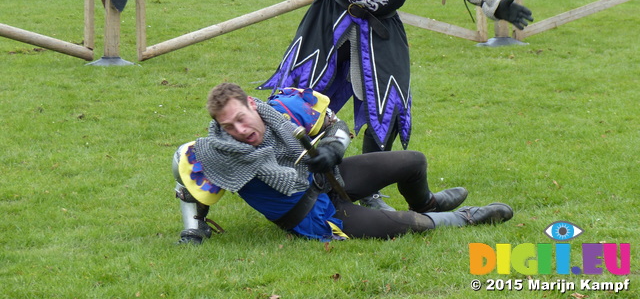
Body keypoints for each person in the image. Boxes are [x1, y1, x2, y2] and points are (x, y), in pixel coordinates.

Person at [259, 0, 533, 210]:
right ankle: (278, 171)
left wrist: (495, 4)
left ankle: (369, 190)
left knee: (388, 103)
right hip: (331, 15)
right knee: (300, 94)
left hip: (381, 25)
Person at [171, 83, 513, 244]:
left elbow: (336, 124)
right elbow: (187, 182)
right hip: (315, 216)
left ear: (251, 103)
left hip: (330, 177)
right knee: (412, 225)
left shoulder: (283, 108)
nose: (240, 131)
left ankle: (428, 201)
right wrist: (193, 230)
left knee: (414, 161)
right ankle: (465, 218)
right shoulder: (217, 151)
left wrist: (334, 148)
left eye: (242, 119)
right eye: (229, 126)